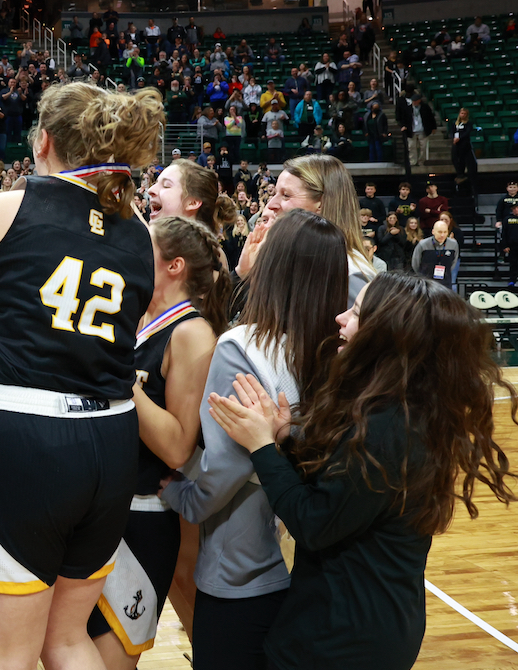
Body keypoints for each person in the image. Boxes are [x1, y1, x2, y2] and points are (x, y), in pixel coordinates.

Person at [0, 82, 164, 670]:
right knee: (68, 638)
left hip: (22, 439)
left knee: (10, 655)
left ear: (44, 140)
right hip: (110, 440)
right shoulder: (141, 233)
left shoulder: (3, 209)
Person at [205, 271, 516, 670]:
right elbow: (348, 492)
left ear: (383, 336)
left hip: (345, 641)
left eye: (354, 312)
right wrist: (286, 439)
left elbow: (314, 522)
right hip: (368, 624)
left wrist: (262, 448)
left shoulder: (388, 428)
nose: (340, 318)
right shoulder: (402, 407)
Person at [160, 209, 349, 670]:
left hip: (241, 568)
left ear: (278, 266)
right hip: (310, 567)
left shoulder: (241, 347)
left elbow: (225, 467)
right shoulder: (337, 353)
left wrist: (183, 497)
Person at [89, 216, 230, 670]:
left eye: (142, 247)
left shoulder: (192, 332)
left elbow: (177, 447)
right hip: (96, 508)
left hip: (141, 517)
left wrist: (122, 380)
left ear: (174, 266)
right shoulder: (134, 319)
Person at [238, 154, 376, 310]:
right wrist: (246, 275)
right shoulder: (295, 262)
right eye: (274, 194)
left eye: (286, 195)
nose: (271, 205)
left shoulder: (350, 276)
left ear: (321, 204)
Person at [411, 219, 459, 288]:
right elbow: (415, 263)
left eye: (445, 232)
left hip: (445, 282)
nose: (442, 235)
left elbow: (453, 263)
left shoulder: (453, 244)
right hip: (426, 282)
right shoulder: (423, 244)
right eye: (439, 232)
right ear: (433, 231)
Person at [397, 93, 437, 167]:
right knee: (411, 147)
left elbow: (431, 117)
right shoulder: (408, 108)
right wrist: (403, 126)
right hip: (411, 130)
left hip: (423, 130)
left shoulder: (425, 107)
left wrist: (433, 127)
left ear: (419, 100)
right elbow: (403, 119)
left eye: (415, 101)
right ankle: (413, 162)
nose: (414, 102)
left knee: (423, 147)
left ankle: (421, 161)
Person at [451, 107, 478, 184]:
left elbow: (467, 132)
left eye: (464, 114)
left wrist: (460, 138)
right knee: (454, 158)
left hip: (464, 144)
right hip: (456, 144)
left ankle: (464, 175)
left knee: (464, 159)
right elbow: (452, 131)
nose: (463, 115)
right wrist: (454, 138)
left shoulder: (469, 123)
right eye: (462, 113)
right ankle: (459, 174)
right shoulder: (455, 123)